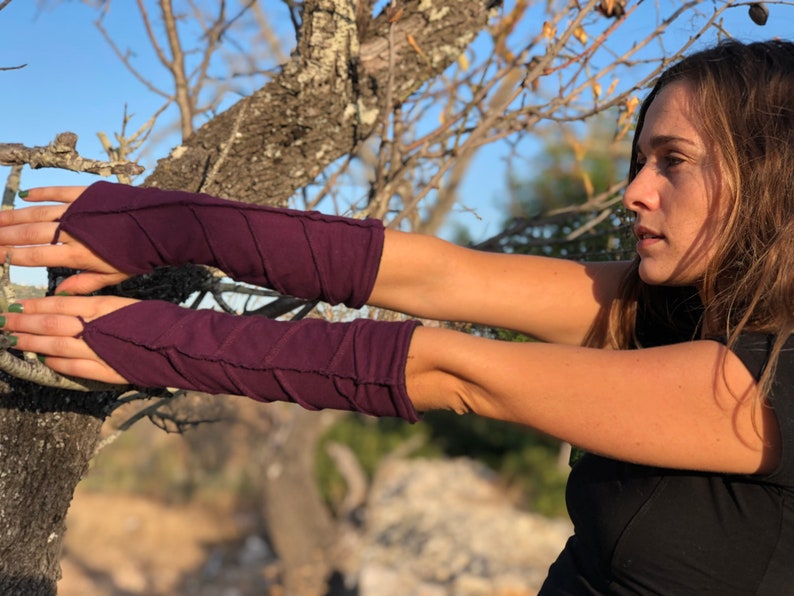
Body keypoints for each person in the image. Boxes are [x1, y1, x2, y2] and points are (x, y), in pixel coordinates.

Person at [0, 38, 792, 593]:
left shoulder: (772, 383)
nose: (635, 192)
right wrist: (166, 222)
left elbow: (458, 373)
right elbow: (440, 275)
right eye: (641, 160)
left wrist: (161, 345)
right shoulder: (674, 306)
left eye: (673, 163)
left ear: (769, 176)